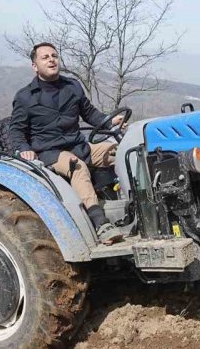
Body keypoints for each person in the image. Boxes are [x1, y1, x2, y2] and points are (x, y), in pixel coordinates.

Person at [9, 42, 127, 244]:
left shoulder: (72, 86)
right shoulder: (25, 97)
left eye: (54, 55)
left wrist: (109, 121)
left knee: (124, 151)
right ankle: (101, 224)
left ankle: (136, 206)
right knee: (77, 166)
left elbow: (89, 113)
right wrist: (24, 149)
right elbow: (16, 131)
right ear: (35, 66)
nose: (51, 59)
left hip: (79, 145)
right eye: (45, 57)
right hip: (50, 152)